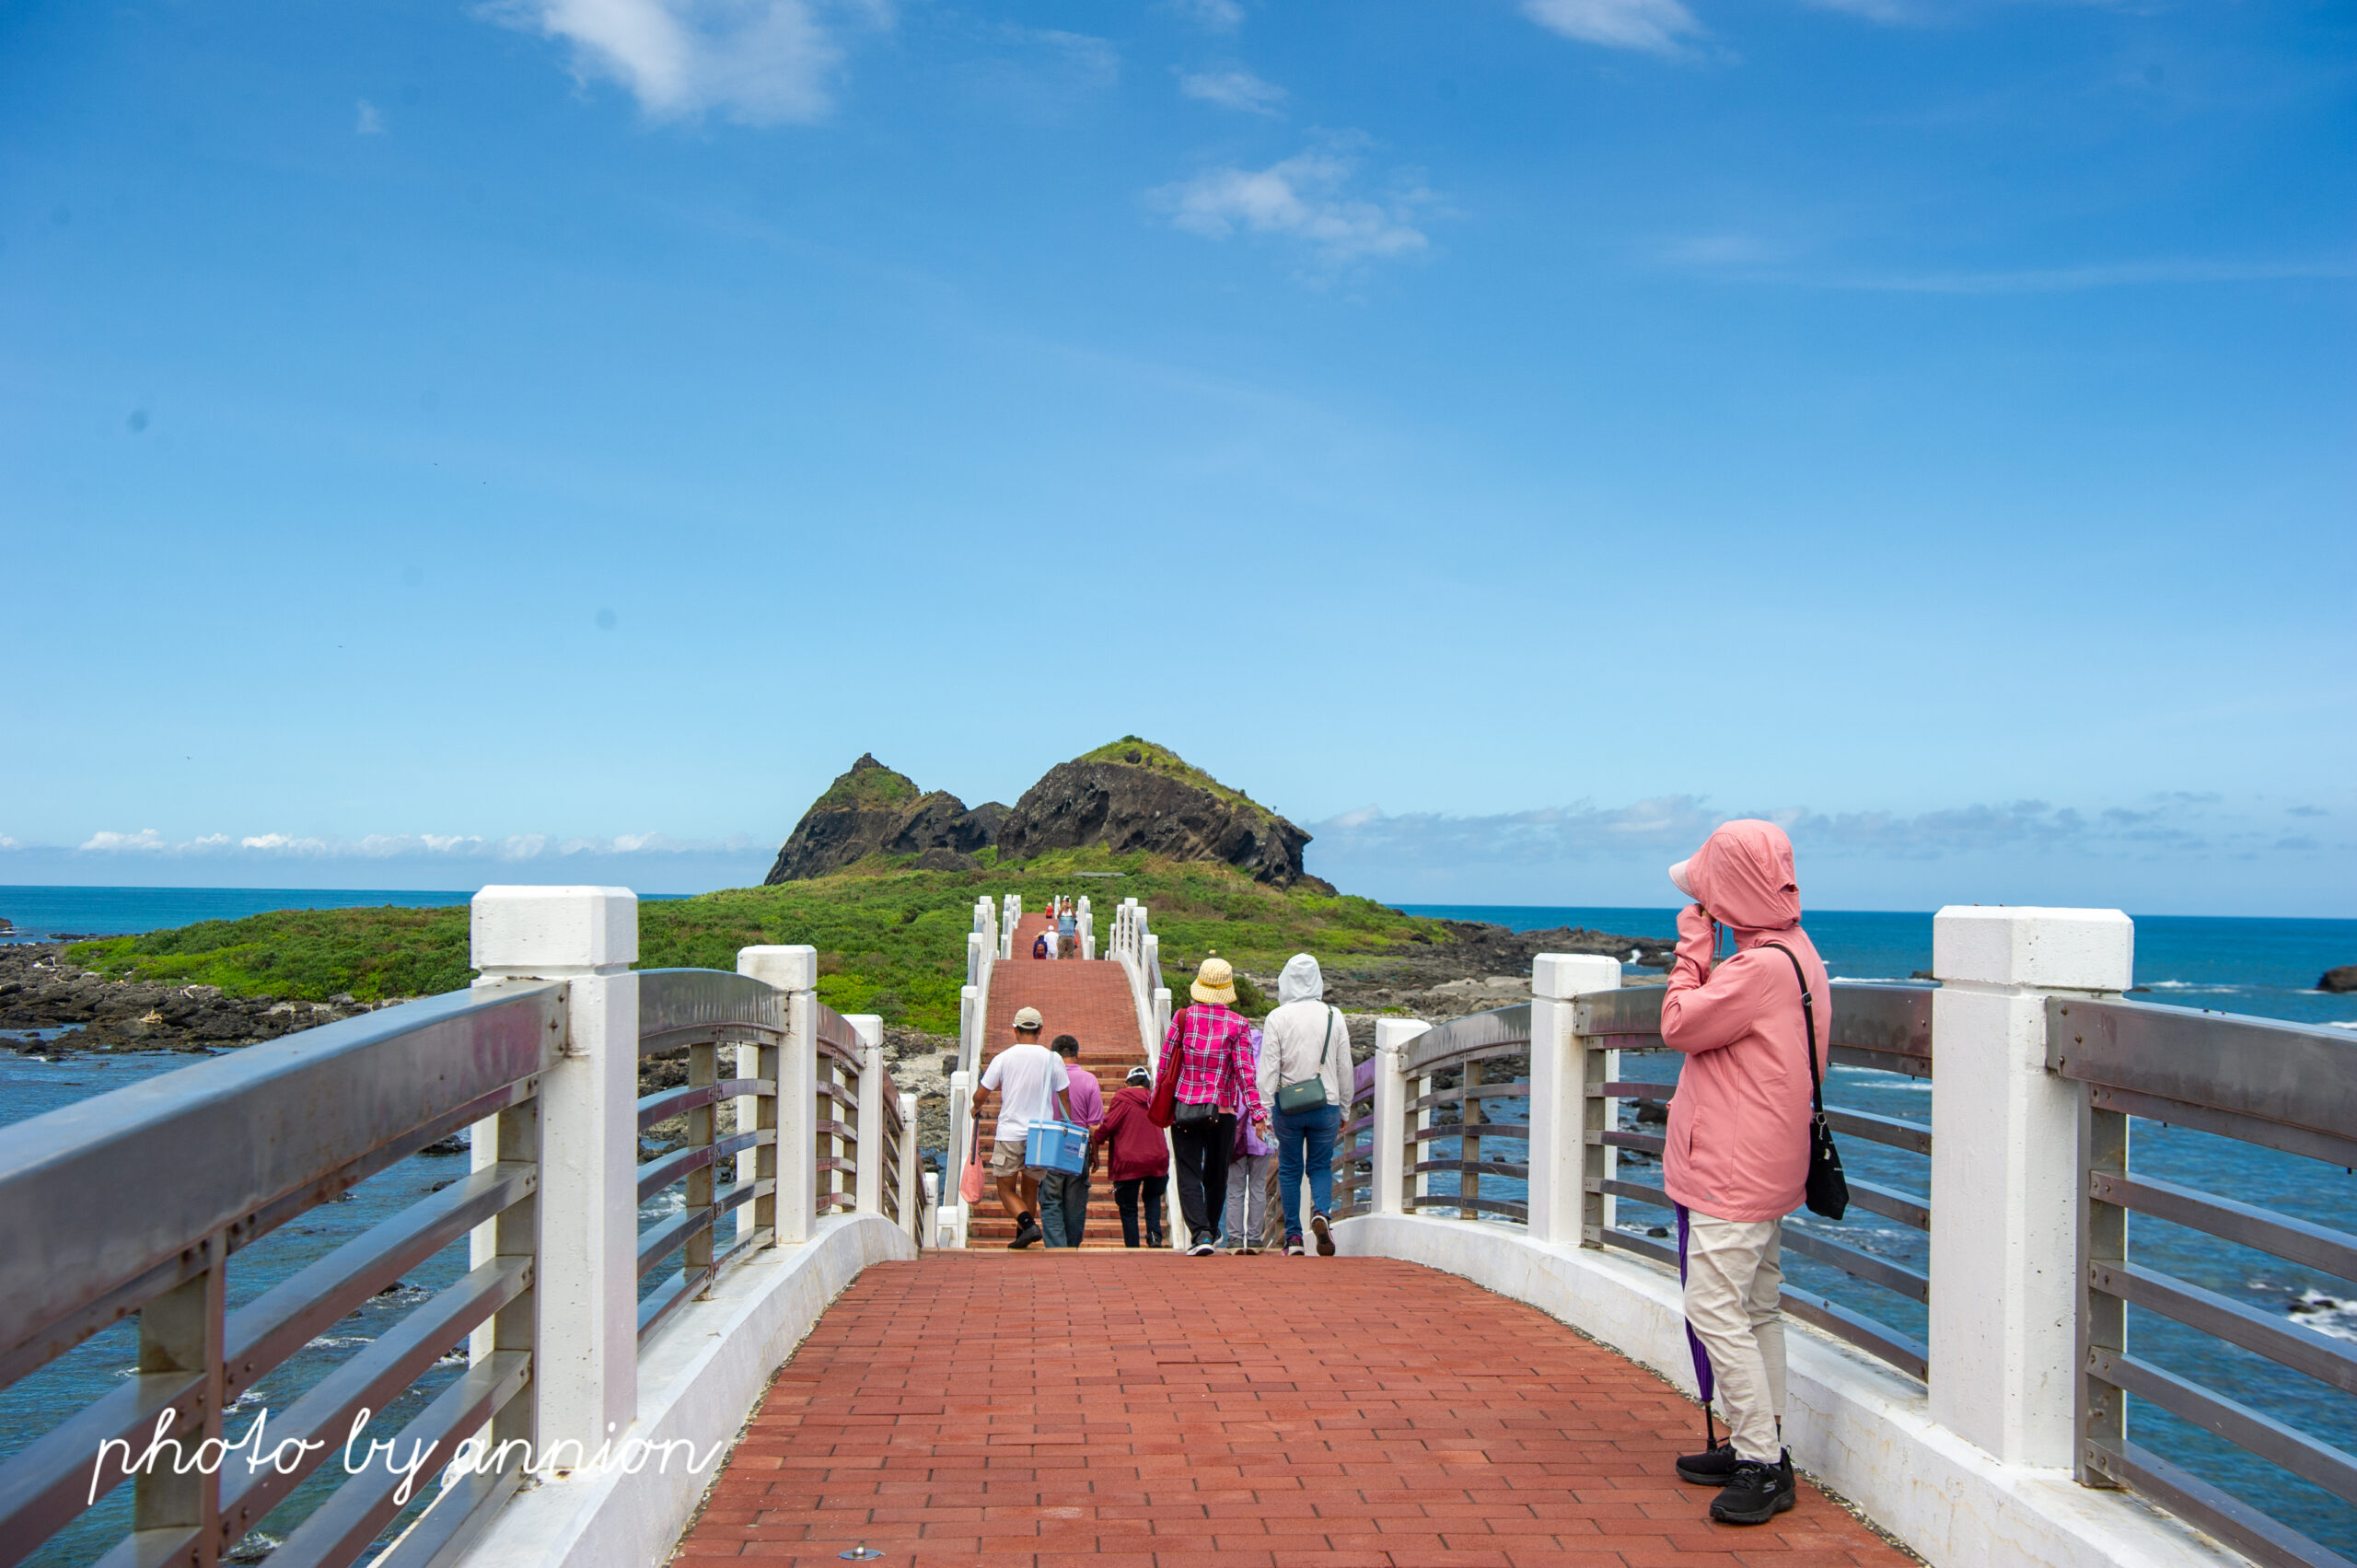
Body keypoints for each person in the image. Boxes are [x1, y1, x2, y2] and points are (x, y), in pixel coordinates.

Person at [1658, 819, 1830, 1527]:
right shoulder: (1797, 953)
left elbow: (1677, 1022)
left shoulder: (1754, 970)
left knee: (1712, 1305)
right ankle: (1764, 1441)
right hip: (1770, 1162)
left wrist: (1692, 945)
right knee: (1757, 1304)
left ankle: (1761, 1460)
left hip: (1735, 1171)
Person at [1255, 953, 1353, 1256]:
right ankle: (1322, 1213)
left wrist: (1263, 1109)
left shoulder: (1277, 1017)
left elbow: (1269, 1068)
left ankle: (1294, 1238)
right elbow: (1344, 1067)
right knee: (1321, 1165)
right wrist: (1345, 1109)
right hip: (1326, 1104)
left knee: (1290, 1168)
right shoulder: (1333, 1015)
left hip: (1288, 1106)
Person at [1157, 955, 1255, 1256]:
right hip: (1222, 1111)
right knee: (1216, 1175)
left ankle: (1199, 1234)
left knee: (1188, 1171)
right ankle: (1210, 1231)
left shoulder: (1182, 1017)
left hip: (1185, 1107)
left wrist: (1156, 1100)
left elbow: (1164, 1063)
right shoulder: (1239, 1024)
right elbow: (1245, 1072)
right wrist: (1258, 1113)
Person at [970, 1005, 1072, 1249]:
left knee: (1005, 1189)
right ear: (1040, 1030)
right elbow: (1064, 1098)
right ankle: (1022, 1236)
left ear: (1014, 1030)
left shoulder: (1003, 1058)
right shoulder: (1052, 1058)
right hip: (1042, 1134)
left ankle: (1027, 1225)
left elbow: (981, 1094)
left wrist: (975, 1107)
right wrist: (1067, 1126)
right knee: (1030, 1188)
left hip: (1010, 1133)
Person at [1037, 1035, 1102, 1248]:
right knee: (1075, 1202)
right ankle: (1072, 1246)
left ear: (1053, 1056)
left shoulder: (1045, 1079)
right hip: (1078, 1143)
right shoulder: (1089, 1080)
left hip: (1050, 1143)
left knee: (1051, 1200)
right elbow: (1094, 1126)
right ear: (1077, 1054)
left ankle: (1057, 1247)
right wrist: (1095, 1153)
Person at [1095, 1065, 1167, 1248]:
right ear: (1147, 1083)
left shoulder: (1122, 1097)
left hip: (1128, 1160)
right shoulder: (1155, 1098)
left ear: (1128, 1083)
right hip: (1157, 1157)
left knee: (1128, 1208)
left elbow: (1110, 1124)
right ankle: (1154, 1236)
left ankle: (1133, 1246)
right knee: (1153, 1197)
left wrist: (1096, 1137)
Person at [1223, 1024, 1275, 1253]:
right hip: (1263, 1131)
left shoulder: (1231, 1053)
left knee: (1234, 1188)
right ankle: (1254, 1239)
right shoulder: (1268, 1057)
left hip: (1235, 1130)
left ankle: (1234, 1240)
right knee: (1257, 1187)